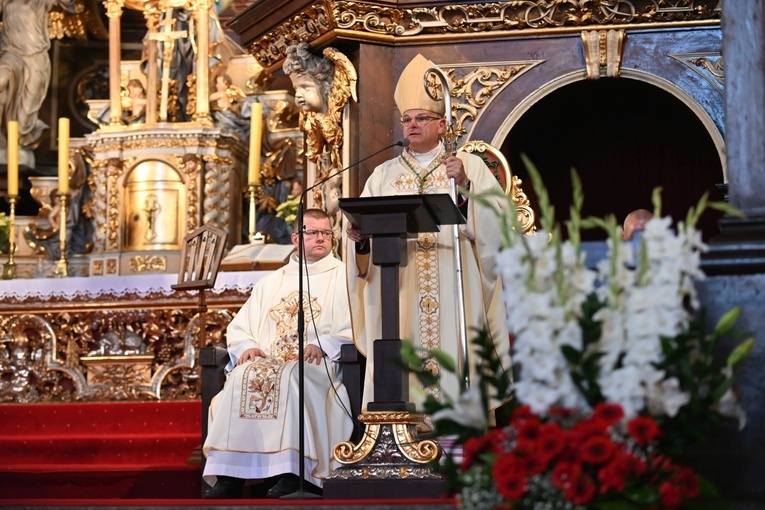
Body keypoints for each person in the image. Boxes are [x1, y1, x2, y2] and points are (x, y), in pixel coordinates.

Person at [345, 54, 511, 411]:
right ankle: (398, 434)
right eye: (407, 119)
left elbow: (497, 228)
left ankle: (454, 439)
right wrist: (360, 242)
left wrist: (465, 186)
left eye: (422, 118)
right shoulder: (383, 176)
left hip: (454, 285)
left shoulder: (468, 167)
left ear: (442, 124)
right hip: (398, 286)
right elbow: (362, 240)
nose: (412, 125)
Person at [203, 209, 354, 499]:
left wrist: (325, 343)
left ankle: (294, 473)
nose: (320, 238)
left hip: (315, 365)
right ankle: (230, 475)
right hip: (269, 360)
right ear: (297, 239)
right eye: (313, 233)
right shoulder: (271, 282)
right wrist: (246, 347)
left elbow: (356, 323)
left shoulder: (344, 278)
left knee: (291, 377)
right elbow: (241, 326)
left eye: (326, 233)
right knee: (240, 376)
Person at [0, 0, 76, 147]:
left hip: (35, 56)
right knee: (2, 80)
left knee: (27, 107)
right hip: (10, 53)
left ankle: (18, 141)